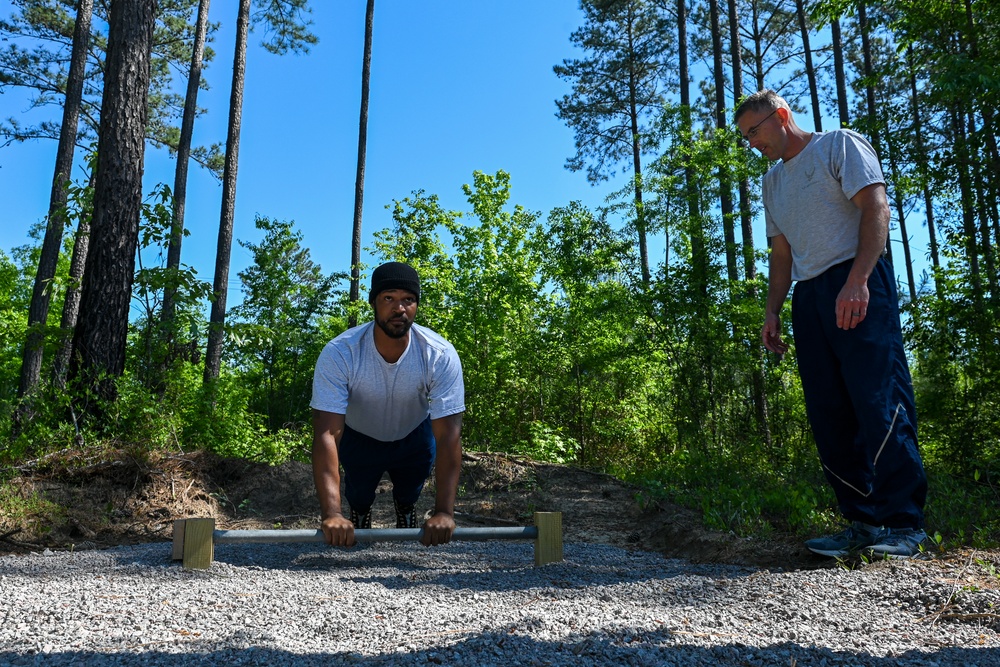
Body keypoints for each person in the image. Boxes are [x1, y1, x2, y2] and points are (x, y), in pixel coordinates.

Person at [734, 90, 928, 559]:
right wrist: (772, 311)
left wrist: (860, 279)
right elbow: (782, 254)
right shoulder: (771, 183)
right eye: (745, 137)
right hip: (810, 293)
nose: (751, 142)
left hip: (857, 278)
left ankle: (905, 524)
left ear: (781, 116)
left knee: (877, 397)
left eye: (754, 131)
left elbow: (875, 208)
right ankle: (861, 522)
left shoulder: (838, 145)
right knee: (829, 408)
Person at [310, 261, 465, 548]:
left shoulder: (439, 354)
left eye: (409, 300)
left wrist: (444, 511)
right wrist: (332, 513)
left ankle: (406, 510)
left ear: (417, 305)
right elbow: (327, 433)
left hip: (414, 434)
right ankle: (358, 513)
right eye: (389, 298)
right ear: (373, 303)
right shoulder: (340, 353)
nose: (399, 308)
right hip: (360, 436)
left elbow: (448, 434)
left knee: (409, 490)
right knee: (358, 494)